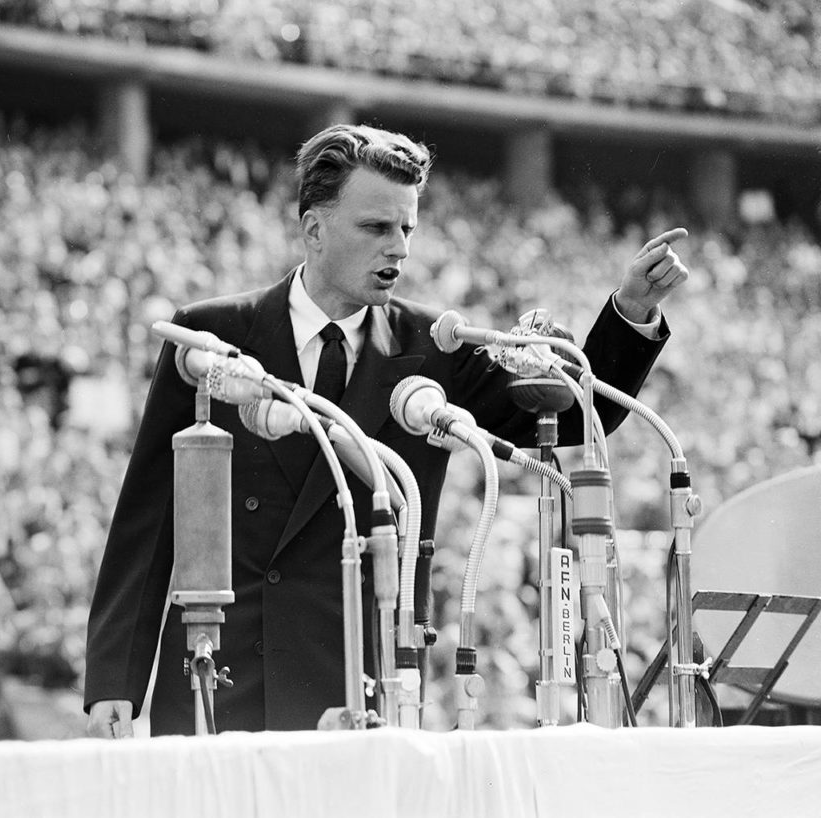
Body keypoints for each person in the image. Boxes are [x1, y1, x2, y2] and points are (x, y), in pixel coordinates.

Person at [85, 124, 689, 737]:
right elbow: (150, 512)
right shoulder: (212, 336)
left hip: (365, 681)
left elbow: (566, 416)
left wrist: (631, 312)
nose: (397, 248)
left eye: (407, 229)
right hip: (223, 676)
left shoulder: (435, 346)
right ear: (314, 229)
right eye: (376, 228)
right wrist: (114, 677)